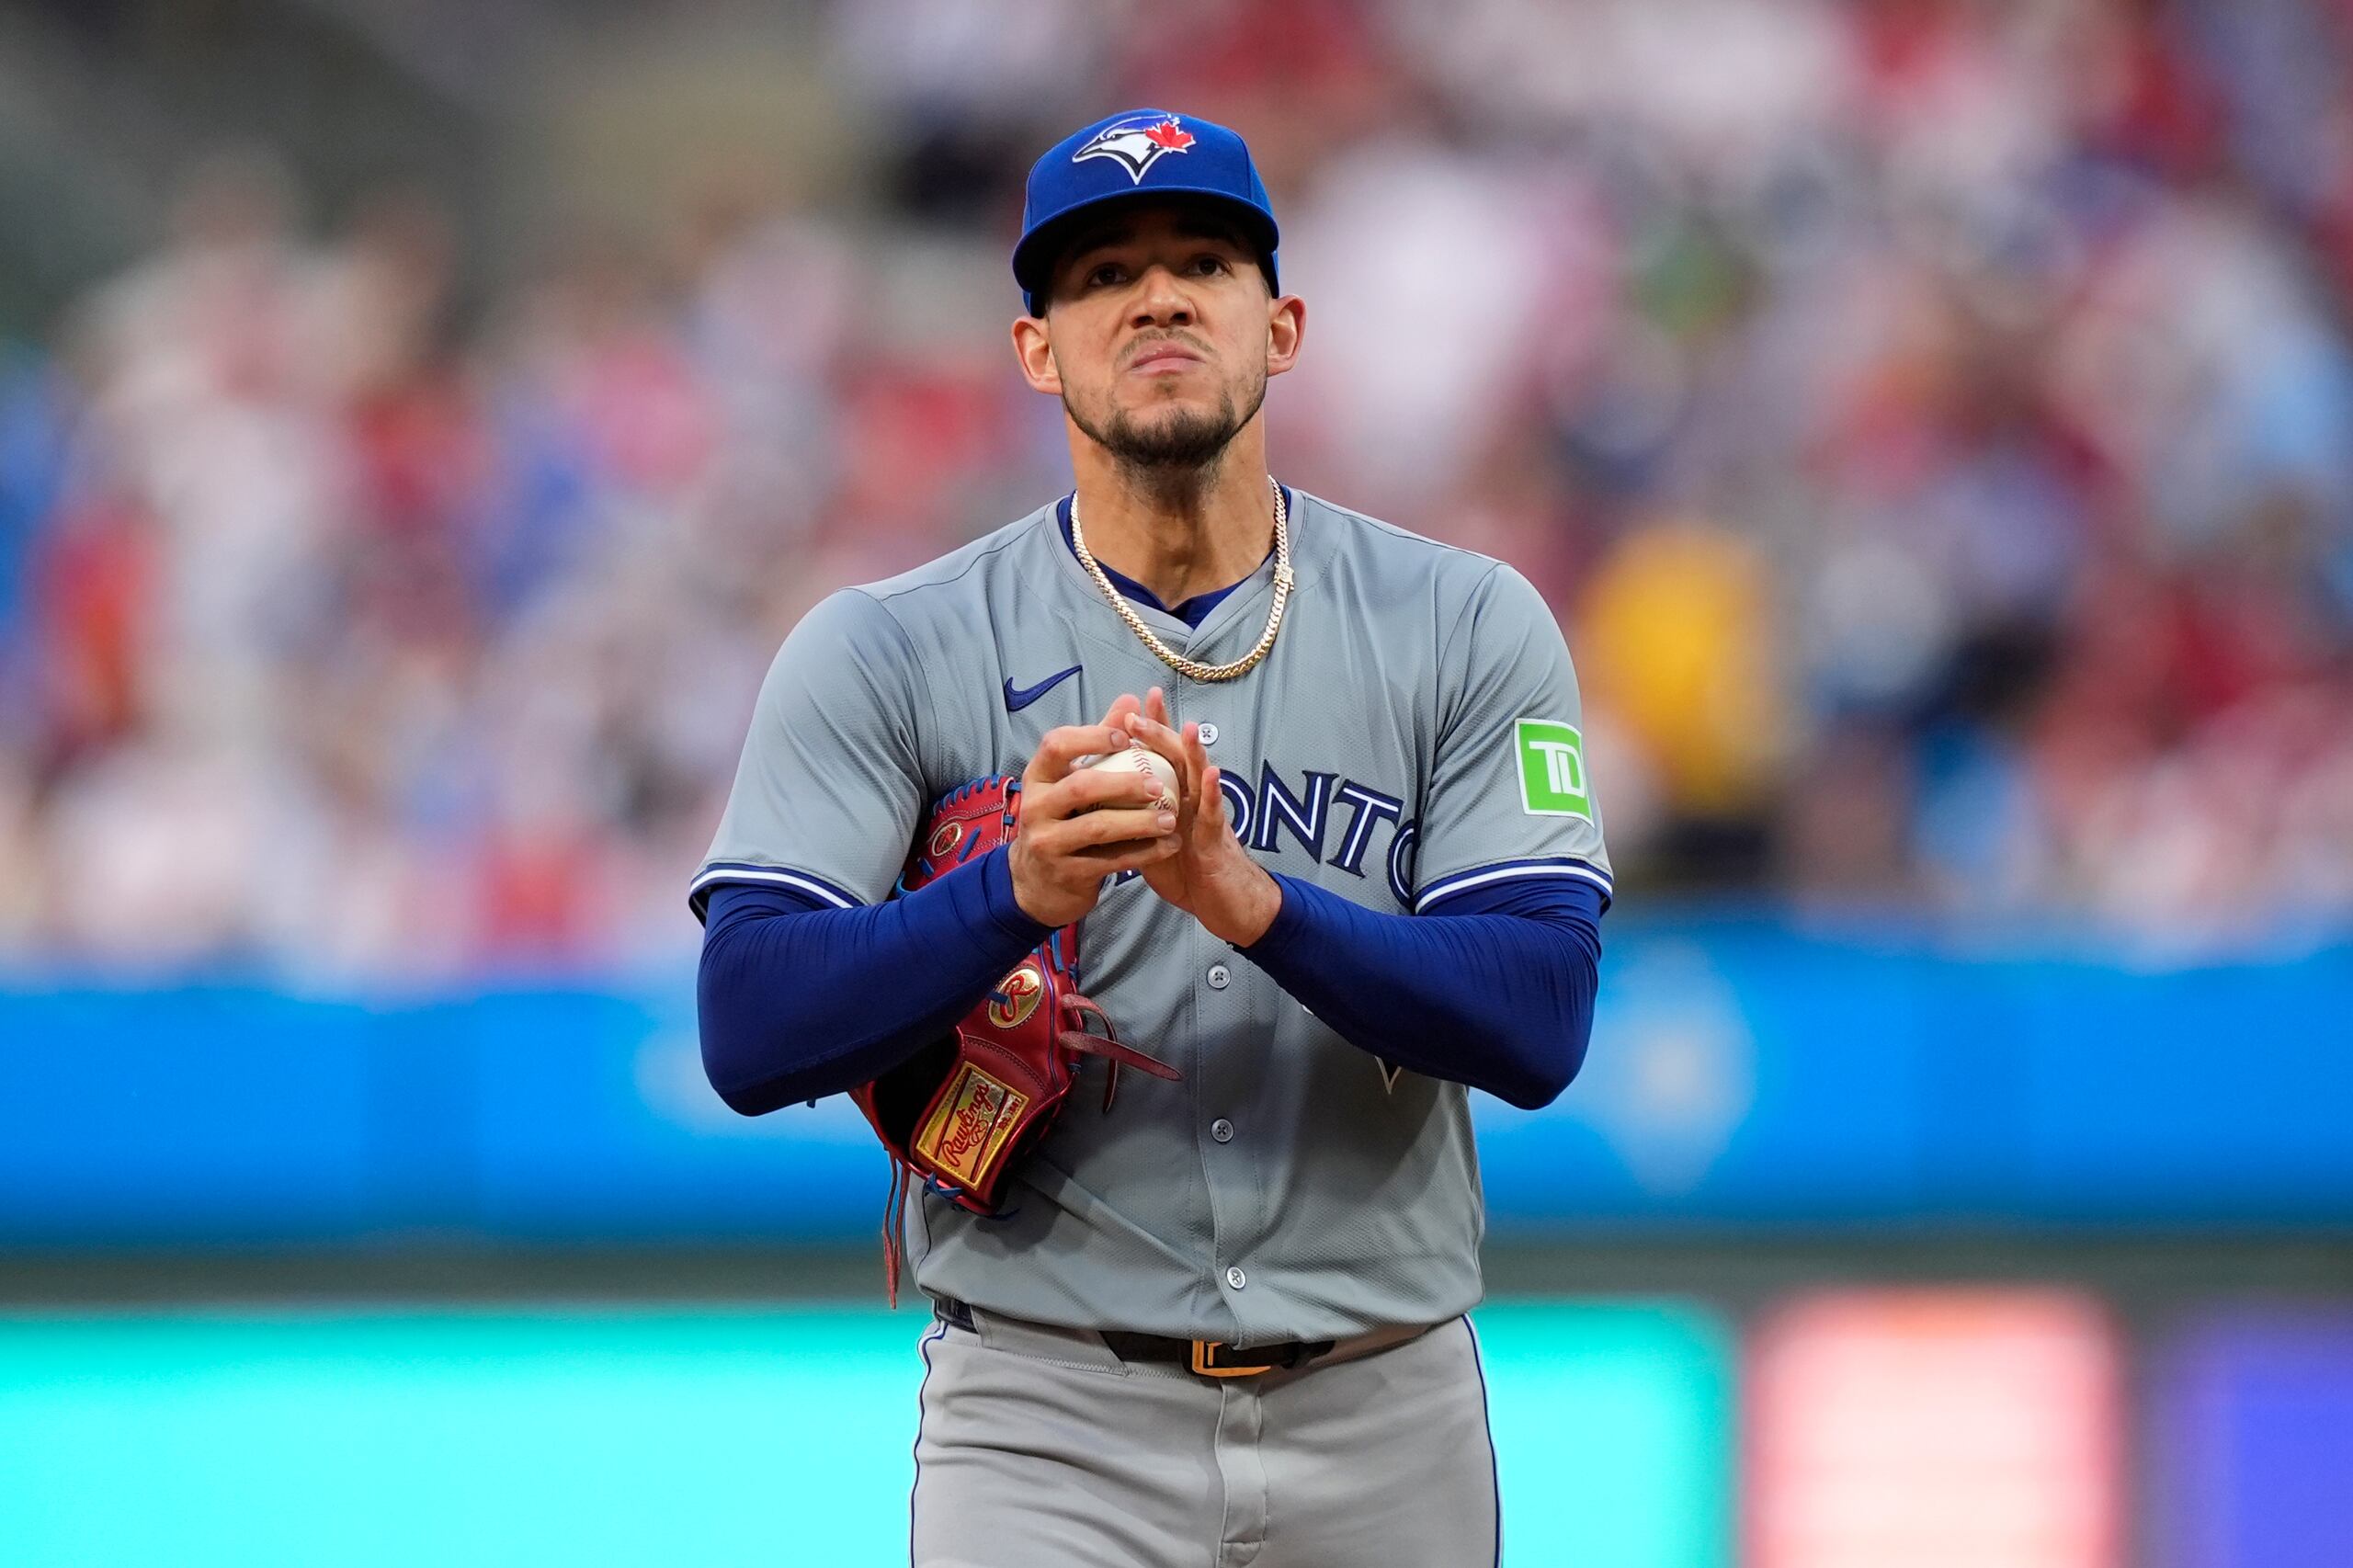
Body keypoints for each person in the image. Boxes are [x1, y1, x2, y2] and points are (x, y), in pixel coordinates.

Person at [692, 108, 1610, 1568]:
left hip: (1381, 1403)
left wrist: (1250, 900)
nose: (1159, 296)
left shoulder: (1463, 621)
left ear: (1284, 324)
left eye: (1202, 260)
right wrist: (1010, 893)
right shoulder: (886, 646)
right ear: (1036, 349)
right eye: (1103, 273)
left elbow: (1543, 1015)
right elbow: (748, 1026)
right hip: (1047, 1412)